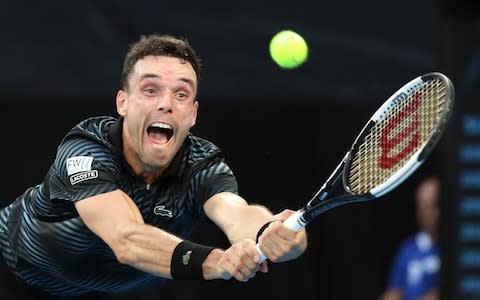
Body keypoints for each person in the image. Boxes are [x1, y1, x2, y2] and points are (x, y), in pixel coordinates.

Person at [0, 34, 308, 299]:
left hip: (86, 291)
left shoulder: (201, 165)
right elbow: (127, 240)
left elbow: (236, 212)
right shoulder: (87, 148)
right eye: (150, 90)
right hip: (10, 270)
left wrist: (274, 232)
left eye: (182, 94)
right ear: (123, 103)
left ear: (193, 113)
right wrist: (217, 261)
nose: (166, 103)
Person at [379, 176, 441, 300]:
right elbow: (394, 291)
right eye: (422, 207)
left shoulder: (457, 248)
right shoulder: (408, 249)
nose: (426, 213)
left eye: (431, 206)